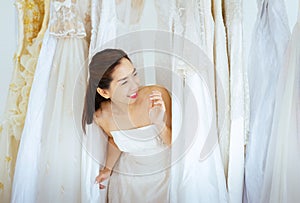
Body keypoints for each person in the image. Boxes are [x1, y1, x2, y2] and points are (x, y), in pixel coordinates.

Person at [82, 49, 172, 202]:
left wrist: (159, 123)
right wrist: (108, 169)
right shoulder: (102, 116)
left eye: (134, 74)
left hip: (166, 178)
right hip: (128, 183)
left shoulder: (157, 95)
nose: (135, 85)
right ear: (104, 92)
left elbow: (174, 143)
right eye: (124, 82)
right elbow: (114, 140)